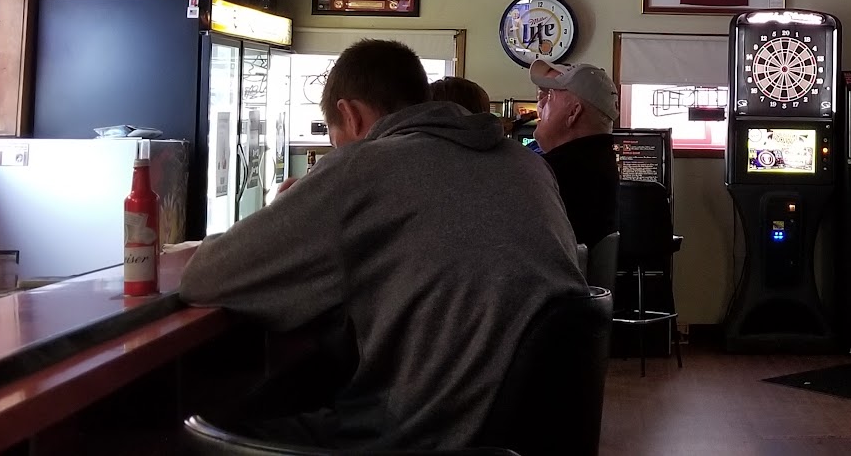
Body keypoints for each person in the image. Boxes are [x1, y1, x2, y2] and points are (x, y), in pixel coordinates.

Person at [180, 40, 584, 450]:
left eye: (335, 140)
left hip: (419, 435)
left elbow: (206, 277)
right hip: (527, 433)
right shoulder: (528, 164)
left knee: (199, 426)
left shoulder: (363, 165)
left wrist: (287, 212)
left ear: (350, 115)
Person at [530, 59, 620, 249]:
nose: (540, 103)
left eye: (549, 95)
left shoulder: (548, 173)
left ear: (574, 112)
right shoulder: (598, 162)